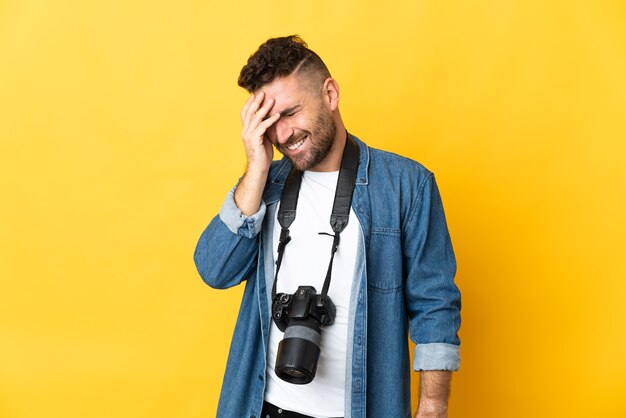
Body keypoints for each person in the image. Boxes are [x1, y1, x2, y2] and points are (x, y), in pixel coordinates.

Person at [194, 35, 461, 418]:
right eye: (269, 123)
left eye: (290, 113)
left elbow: (436, 306)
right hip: (263, 408)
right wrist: (255, 166)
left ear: (330, 94)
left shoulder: (407, 186)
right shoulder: (263, 186)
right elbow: (214, 271)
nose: (283, 135)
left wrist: (433, 406)